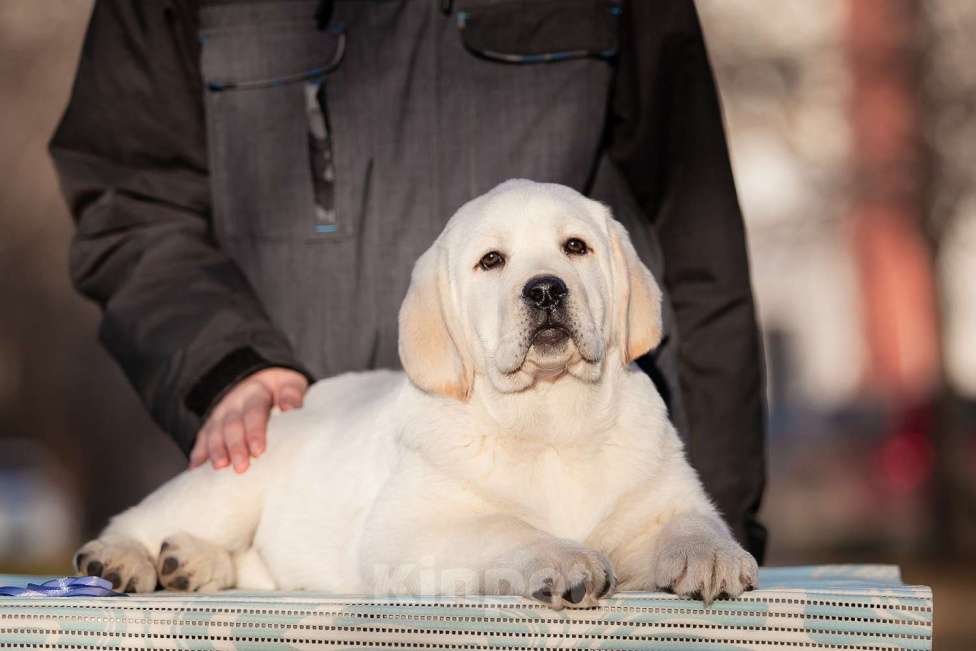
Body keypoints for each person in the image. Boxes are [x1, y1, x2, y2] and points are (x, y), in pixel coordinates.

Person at [51, 0, 767, 561]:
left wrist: (712, 526)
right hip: (301, 479)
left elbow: (692, 228)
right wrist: (223, 359)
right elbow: (132, 196)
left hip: (596, 492)